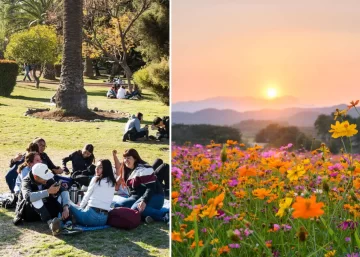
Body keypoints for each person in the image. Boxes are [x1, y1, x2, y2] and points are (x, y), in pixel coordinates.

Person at [14, 163, 80, 235]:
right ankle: (51, 224)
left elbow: (63, 190)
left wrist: (65, 207)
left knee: (59, 194)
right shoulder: (26, 181)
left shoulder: (47, 179)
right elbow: (28, 197)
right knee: (36, 198)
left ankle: (68, 223)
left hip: (44, 210)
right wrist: (48, 191)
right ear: (36, 177)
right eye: (44, 177)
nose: (46, 179)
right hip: (29, 212)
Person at [113, 149, 168, 223]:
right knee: (118, 206)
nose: (126, 160)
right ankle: (146, 216)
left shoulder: (144, 169)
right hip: (138, 196)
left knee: (135, 209)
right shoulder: (126, 169)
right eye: (125, 158)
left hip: (155, 195)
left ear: (135, 158)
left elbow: (151, 188)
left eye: (128, 158)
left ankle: (165, 214)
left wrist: (144, 200)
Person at [68, 159, 116, 226]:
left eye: (100, 167)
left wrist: (80, 207)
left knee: (67, 202)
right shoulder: (112, 182)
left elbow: (87, 196)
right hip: (103, 220)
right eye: (97, 166)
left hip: (90, 217)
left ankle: (66, 221)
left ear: (106, 169)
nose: (97, 169)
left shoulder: (96, 179)